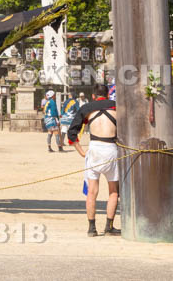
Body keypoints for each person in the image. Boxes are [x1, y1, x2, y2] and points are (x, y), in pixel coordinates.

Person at [67, 83, 119, 236]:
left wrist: (81, 152)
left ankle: (91, 228)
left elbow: (72, 133)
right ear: (108, 95)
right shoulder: (117, 107)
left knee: (92, 192)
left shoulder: (87, 108)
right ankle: (109, 227)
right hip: (111, 149)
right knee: (113, 192)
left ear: (94, 96)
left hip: (94, 149)